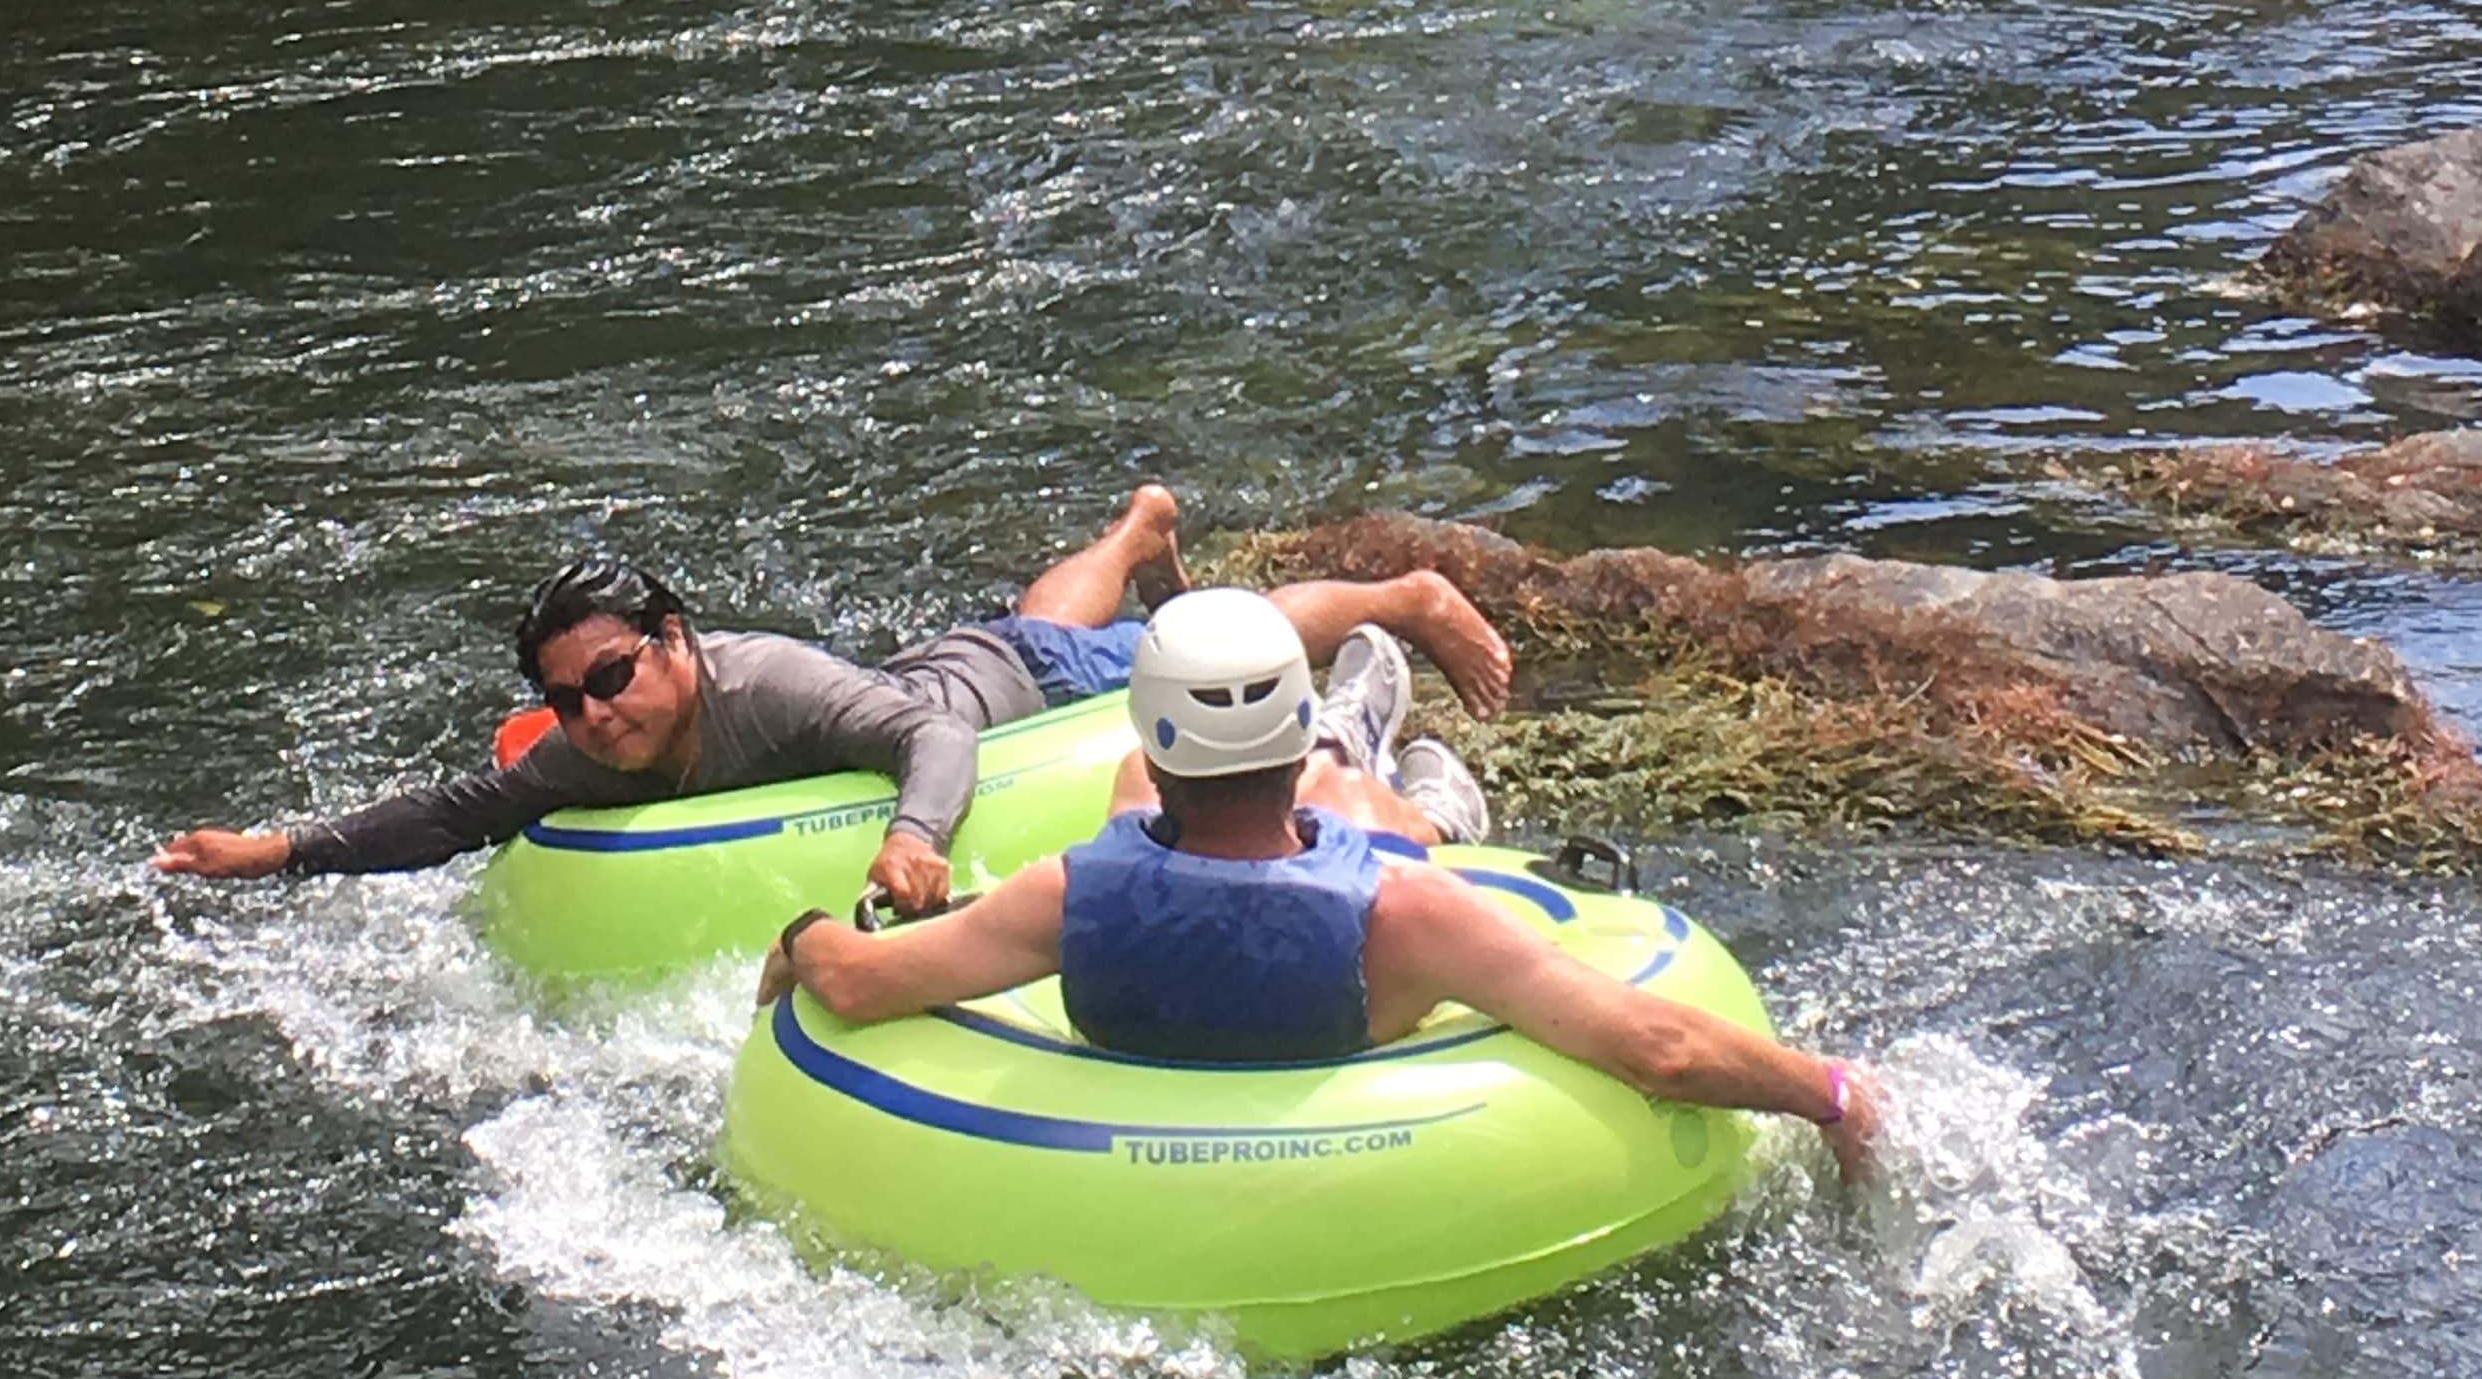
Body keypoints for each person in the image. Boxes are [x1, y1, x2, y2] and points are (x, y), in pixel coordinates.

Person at [762, 588, 1881, 1177]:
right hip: (1359, 944)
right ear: (1282, 734)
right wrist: (1830, 1094)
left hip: (1131, 1047)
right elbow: (1660, 1051)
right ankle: (1412, 794)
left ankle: (1369, 756)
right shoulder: (1412, 913)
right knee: (1351, 813)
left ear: (1152, 735)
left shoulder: (1061, 896)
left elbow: (859, 981)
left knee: (1140, 810)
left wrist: (800, 939)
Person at [151, 489, 1514, 917]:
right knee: (1045, 608)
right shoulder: (592, 751)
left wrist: (916, 837)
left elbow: (932, 734)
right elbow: (458, 812)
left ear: (673, 644)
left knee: (1200, 644)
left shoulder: (765, 685)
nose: (595, 714)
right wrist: (275, 851)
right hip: (967, 651)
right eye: (566, 700)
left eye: (613, 676)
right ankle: (1138, 522)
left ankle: (1401, 597)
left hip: (1013, 698)